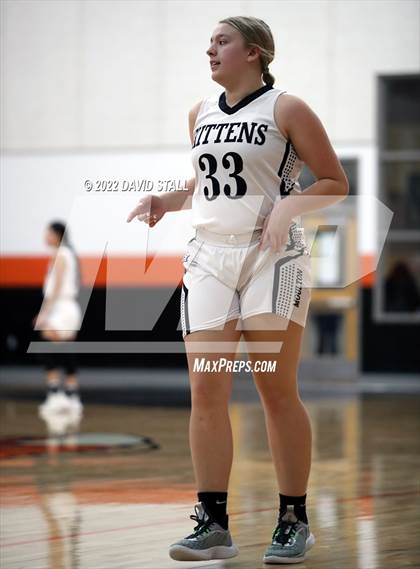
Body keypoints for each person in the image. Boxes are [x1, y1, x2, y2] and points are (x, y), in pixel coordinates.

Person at [127, 16, 348, 564]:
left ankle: (293, 519)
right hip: (209, 258)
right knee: (206, 393)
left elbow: (333, 181)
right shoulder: (199, 113)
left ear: (254, 52)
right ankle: (213, 523)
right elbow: (210, 181)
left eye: (221, 41)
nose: (210, 50)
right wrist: (167, 201)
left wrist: (293, 205)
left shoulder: (287, 108)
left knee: (275, 390)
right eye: (209, 43)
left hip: (274, 255)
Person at [34, 221, 83, 431]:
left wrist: (44, 313)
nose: (45, 236)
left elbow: (56, 286)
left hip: (61, 307)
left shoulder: (61, 255)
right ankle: (72, 397)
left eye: (47, 233)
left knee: (48, 346)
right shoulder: (68, 254)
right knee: (64, 350)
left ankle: (56, 395)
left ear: (56, 235)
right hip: (68, 306)